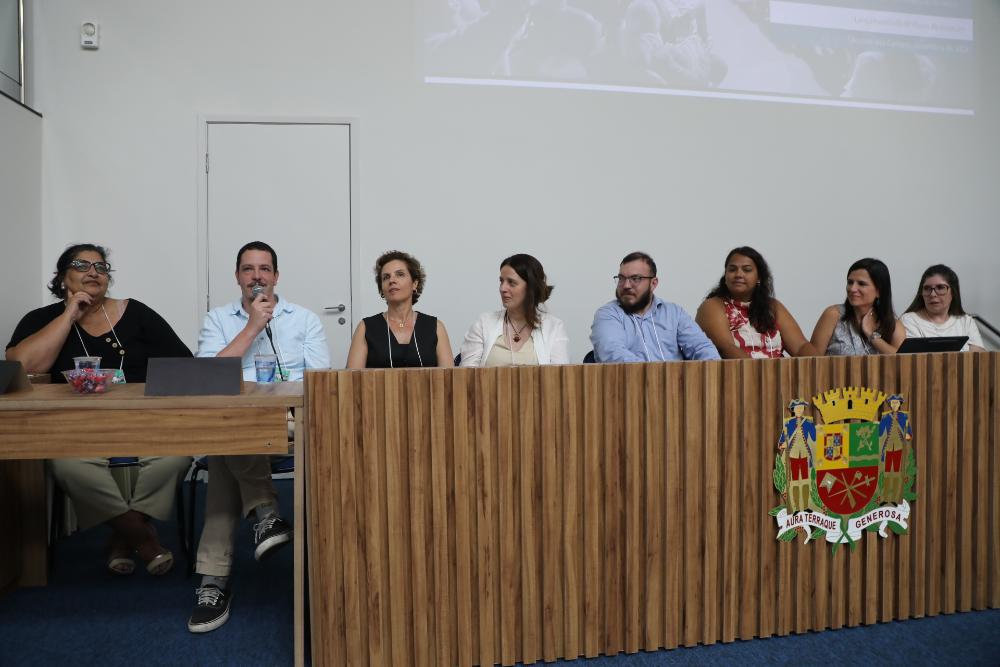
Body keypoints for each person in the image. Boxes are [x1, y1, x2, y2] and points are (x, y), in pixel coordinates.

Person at [5, 243, 191, 577]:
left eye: (101, 267)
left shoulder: (137, 314)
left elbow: (185, 366)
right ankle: (142, 538)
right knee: (68, 468)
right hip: (73, 430)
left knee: (176, 459)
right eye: (82, 265)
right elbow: (23, 366)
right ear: (63, 278)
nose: (94, 272)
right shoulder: (41, 319)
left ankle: (122, 537)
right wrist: (69, 314)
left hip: (140, 424)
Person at [189, 241, 330, 634]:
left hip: (293, 422)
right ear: (237, 277)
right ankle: (266, 513)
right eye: (248, 270)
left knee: (224, 450)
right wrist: (252, 326)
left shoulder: (303, 319)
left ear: (276, 277)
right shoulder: (219, 319)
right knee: (227, 442)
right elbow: (208, 378)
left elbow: (319, 378)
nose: (257, 277)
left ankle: (213, 579)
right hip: (238, 425)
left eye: (264, 269)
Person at [590, 251, 719, 362]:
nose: (626, 285)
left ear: (653, 283)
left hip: (678, 387)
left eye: (635, 278)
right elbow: (613, 355)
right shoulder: (607, 315)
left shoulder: (674, 313)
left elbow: (701, 348)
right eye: (622, 278)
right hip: (630, 388)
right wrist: (659, 378)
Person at [695, 246, 817, 359]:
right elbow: (726, 349)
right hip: (740, 377)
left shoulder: (772, 306)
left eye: (747, 270)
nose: (738, 274)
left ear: (759, 278)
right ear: (725, 276)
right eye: (732, 269)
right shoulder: (712, 306)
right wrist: (762, 376)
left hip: (780, 377)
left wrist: (822, 367)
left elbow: (801, 346)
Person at [346, 250, 454, 369]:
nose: (392, 280)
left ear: (414, 284)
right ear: (382, 289)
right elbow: (352, 381)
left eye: (400, 274)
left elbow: (449, 379)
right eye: (386, 277)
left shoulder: (436, 326)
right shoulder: (365, 327)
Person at [460, 253, 569, 367]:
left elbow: (559, 378)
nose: (502, 288)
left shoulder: (554, 327)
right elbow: (468, 376)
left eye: (511, 283)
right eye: (501, 281)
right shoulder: (483, 323)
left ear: (531, 287)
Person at [810, 258, 905, 356]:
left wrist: (872, 336)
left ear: (879, 291)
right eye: (850, 282)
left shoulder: (894, 325)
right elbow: (813, 361)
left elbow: (901, 360)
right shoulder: (833, 314)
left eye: (861, 284)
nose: (852, 289)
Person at [900, 264, 985, 352]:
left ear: (953, 292)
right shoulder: (909, 320)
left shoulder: (966, 321)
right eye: (927, 288)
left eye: (940, 287)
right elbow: (916, 360)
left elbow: (978, 359)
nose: (932, 294)